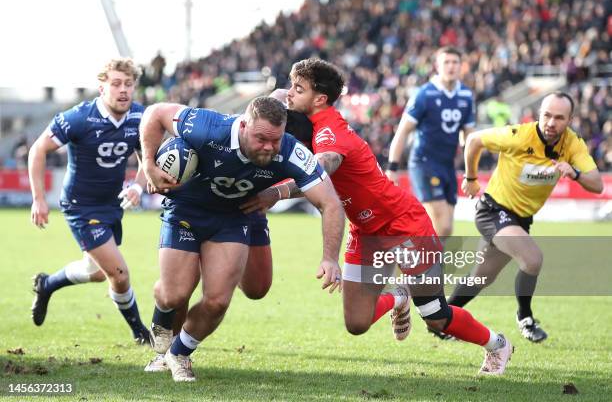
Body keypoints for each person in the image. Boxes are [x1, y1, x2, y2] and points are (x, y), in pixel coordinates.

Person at [246, 58, 513, 375]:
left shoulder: (330, 130)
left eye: (298, 89)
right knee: (356, 323)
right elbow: (276, 96)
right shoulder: (308, 116)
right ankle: (398, 295)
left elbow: (323, 168)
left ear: (320, 99)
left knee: (435, 314)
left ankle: (498, 345)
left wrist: (275, 192)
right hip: (364, 229)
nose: (290, 93)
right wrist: (281, 95)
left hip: (403, 225)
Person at [140, 96, 344, 381]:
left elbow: (330, 202)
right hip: (186, 209)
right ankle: (162, 312)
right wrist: (148, 164)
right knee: (174, 294)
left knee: (217, 302)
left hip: (233, 216)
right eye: (261, 139)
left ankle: (179, 353)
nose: (269, 147)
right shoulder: (207, 127)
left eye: (276, 140)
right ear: (244, 125)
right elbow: (155, 113)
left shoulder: (289, 150)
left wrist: (330, 257)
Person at [448, 91, 603, 342]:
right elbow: (474, 140)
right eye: (547, 115)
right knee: (532, 259)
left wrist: (574, 173)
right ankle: (525, 318)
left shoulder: (573, 144)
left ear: (570, 119)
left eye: (559, 118)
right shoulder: (519, 135)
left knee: (481, 277)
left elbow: (597, 184)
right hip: (493, 210)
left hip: (520, 219)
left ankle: (442, 319)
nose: (551, 123)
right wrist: (471, 179)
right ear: (539, 114)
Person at [28, 58, 151, 344]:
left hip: (111, 206)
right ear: (101, 87)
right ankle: (140, 333)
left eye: (129, 84)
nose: (123, 90)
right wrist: (38, 199)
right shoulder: (79, 117)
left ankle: (47, 284)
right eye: (116, 84)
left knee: (94, 273)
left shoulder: (140, 117)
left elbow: (148, 158)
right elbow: (38, 150)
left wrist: (138, 186)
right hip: (81, 208)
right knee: (119, 274)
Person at [386, 47, 475, 241]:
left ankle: (411, 260)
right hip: (424, 163)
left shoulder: (466, 96)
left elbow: (469, 138)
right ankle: (423, 267)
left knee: (445, 229)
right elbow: (402, 131)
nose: (451, 66)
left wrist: (471, 171)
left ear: (461, 66)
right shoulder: (424, 94)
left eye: (455, 62)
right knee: (441, 226)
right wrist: (392, 167)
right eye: (446, 62)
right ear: (437, 66)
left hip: (447, 166)